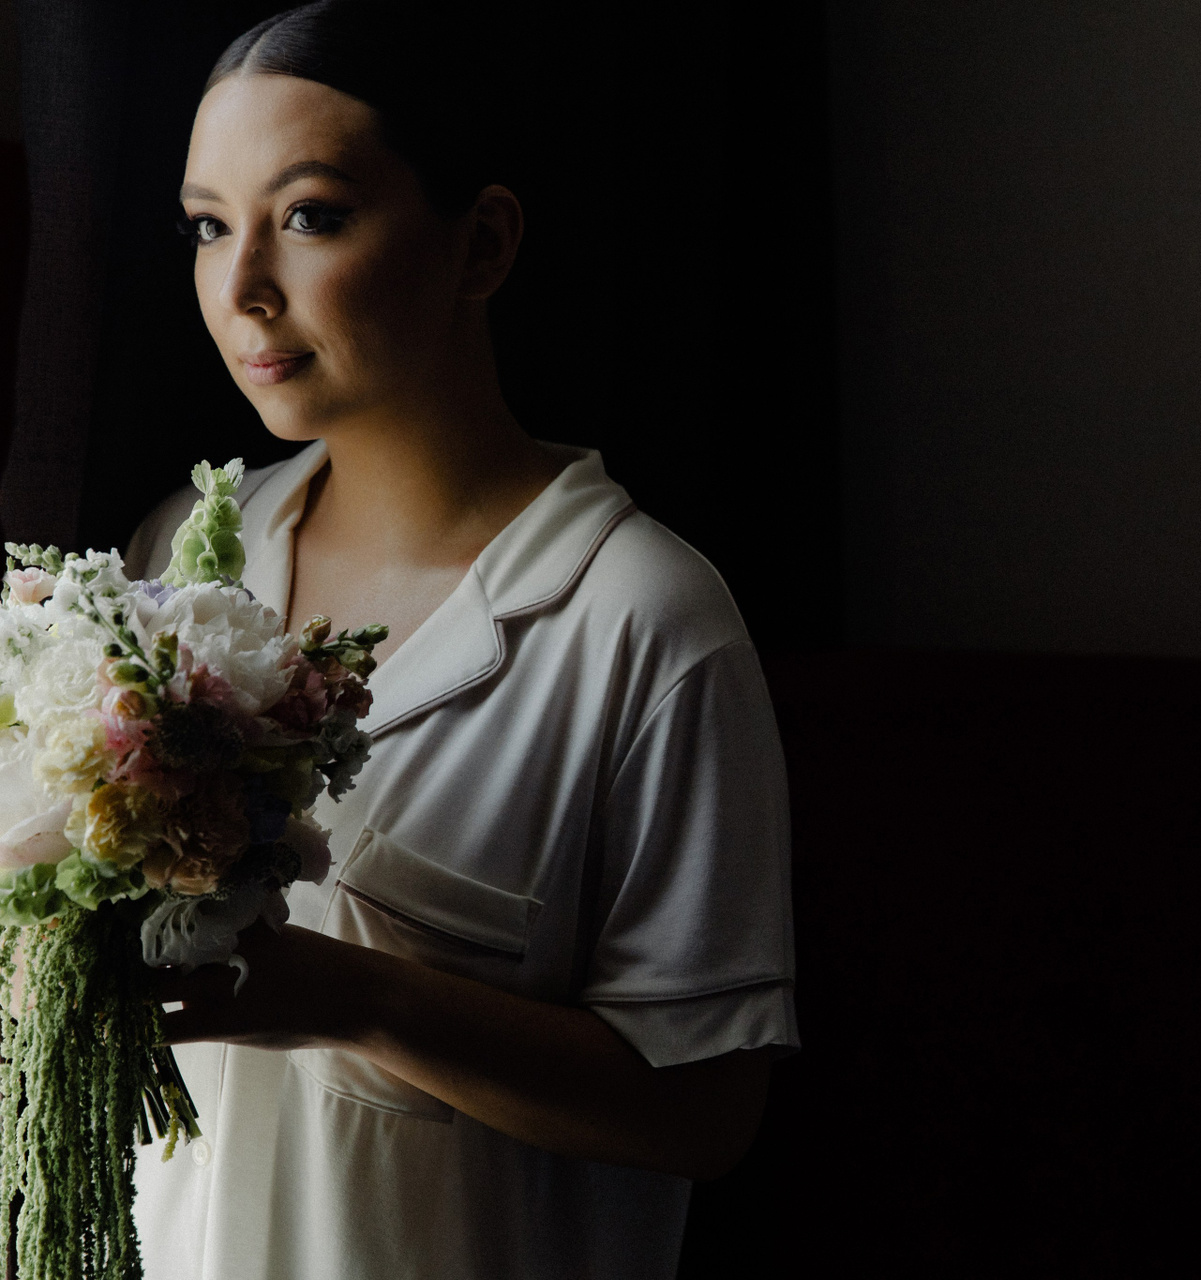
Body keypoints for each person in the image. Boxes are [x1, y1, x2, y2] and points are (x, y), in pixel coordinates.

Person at [121, 3, 798, 1276]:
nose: (243, 284)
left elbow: (707, 1110)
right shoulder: (190, 553)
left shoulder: (641, 622)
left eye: (310, 216)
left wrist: (357, 996)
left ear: (480, 241)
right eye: (209, 225)